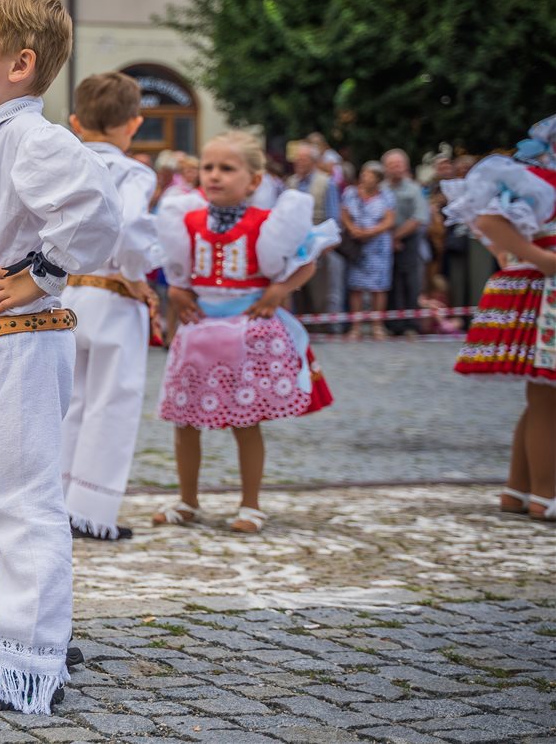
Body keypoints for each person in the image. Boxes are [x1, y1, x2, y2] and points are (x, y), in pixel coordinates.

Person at [0, 0, 121, 715]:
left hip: (24, 339)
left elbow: (95, 213)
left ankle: (25, 656)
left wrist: (40, 274)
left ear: (19, 64)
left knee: (22, 496)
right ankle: (35, 623)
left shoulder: (34, 138)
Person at [152, 131, 338, 534]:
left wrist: (279, 290)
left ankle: (250, 504)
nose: (214, 175)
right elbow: (174, 266)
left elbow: (308, 258)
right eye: (208, 167)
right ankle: (187, 500)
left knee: (245, 420)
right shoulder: (187, 221)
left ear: (253, 180)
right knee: (185, 421)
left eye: (227, 168)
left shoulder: (267, 224)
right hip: (198, 333)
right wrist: (179, 290)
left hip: (246, 335)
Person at [58, 72, 159, 543]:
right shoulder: (133, 172)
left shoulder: (65, 164)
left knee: (68, 402)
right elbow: (132, 224)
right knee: (112, 401)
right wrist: (136, 271)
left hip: (64, 293)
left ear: (76, 121)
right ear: (133, 124)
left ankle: (56, 501)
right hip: (114, 294)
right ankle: (90, 510)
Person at [443, 120, 556, 521]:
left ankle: (520, 489)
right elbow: (489, 221)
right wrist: (541, 259)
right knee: (546, 397)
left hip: (542, 288)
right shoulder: (541, 181)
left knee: (543, 398)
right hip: (545, 292)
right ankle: (544, 493)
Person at [286, 141, 341, 323]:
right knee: (297, 287)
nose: (299, 163)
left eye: (303, 159)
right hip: (295, 243)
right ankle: (302, 324)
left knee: (320, 289)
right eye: (297, 159)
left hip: (318, 244)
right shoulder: (291, 182)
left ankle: (322, 325)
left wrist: (327, 244)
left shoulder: (326, 182)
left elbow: (333, 217)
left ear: (314, 161)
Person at [341, 161, 397, 340]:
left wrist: (370, 232)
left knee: (378, 287)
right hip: (357, 246)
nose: (365, 177)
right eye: (364, 173)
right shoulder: (350, 193)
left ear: (378, 179)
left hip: (378, 247)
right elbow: (344, 214)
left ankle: (377, 325)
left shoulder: (386, 195)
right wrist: (353, 229)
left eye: (370, 174)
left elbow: (389, 220)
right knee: (355, 287)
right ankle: (356, 327)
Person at [382, 148, 430, 336]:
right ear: (385, 168)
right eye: (392, 165)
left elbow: (419, 217)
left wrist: (396, 237)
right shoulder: (382, 189)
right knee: (389, 282)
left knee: (411, 282)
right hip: (384, 239)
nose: (396, 168)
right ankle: (393, 325)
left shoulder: (414, 189)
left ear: (406, 167)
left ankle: (411, 324)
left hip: (408, 240)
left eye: (399, 164)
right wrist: (389, 238)